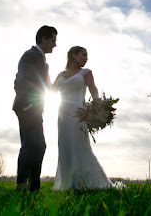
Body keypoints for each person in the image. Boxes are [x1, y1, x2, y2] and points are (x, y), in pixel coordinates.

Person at [52, 46, 124, 190]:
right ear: (73, 56)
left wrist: (97, 106)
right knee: (65, 147)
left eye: (87, 56)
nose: (86, 58)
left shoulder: (86, 72)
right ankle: (68, 183)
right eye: (83, 55)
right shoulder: (60, 74)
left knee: (80, 147)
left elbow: (93, 89)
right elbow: (51, 90)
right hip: (62, 115)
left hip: (78, 114)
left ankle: (86, 182)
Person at [13, 25, 57, 191]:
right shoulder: (30, 55)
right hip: (27, 107)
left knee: (39, 145)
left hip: (36, 108)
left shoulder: (44, 62)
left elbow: (50, 87)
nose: (55, 44)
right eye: (53, 40)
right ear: (44, 39)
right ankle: (22, 184)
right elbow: (20, 81)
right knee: (30, 145)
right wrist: (29, 104)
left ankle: (34, 186)